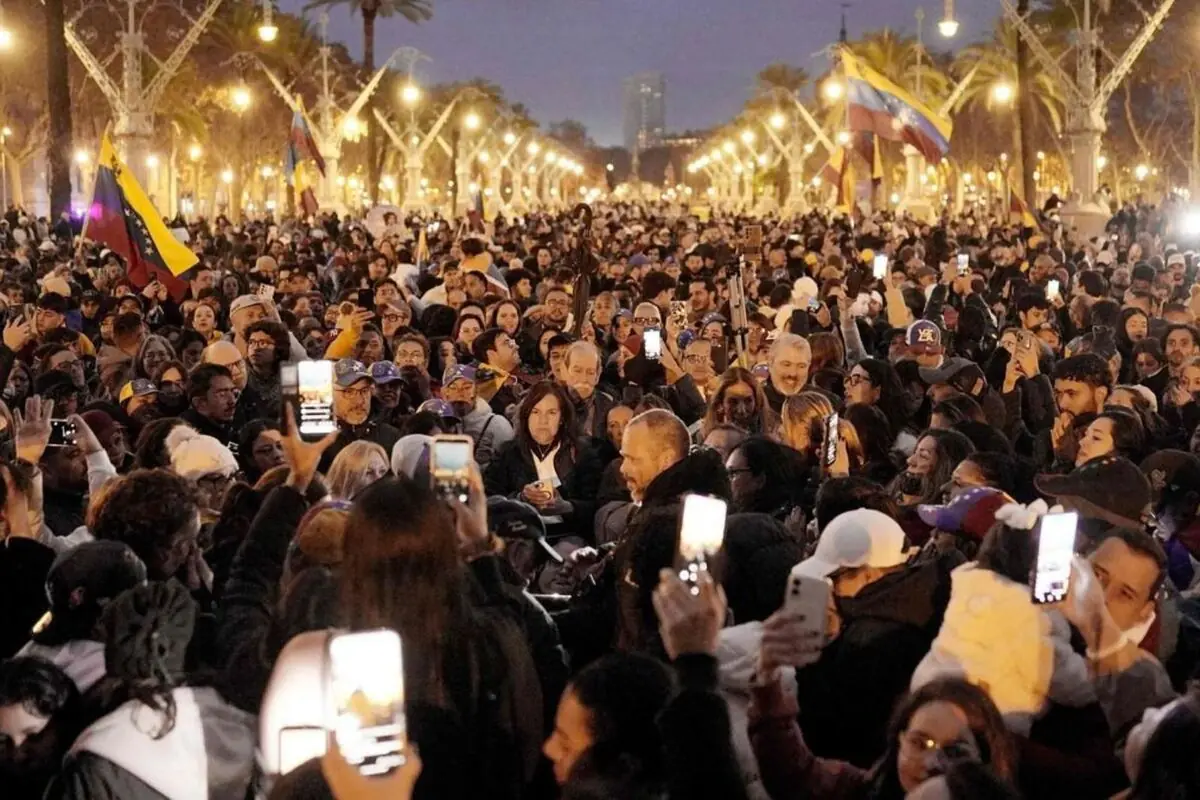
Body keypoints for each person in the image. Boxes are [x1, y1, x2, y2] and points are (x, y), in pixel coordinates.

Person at [484, 381, 602, 540]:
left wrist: (568, 507)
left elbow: (596, 507)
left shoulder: (582, 453)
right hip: (519, 535)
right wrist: (521, 499)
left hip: (567, 535)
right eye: (536, 412)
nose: (543, 421)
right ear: (526, 416)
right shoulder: (508, 452)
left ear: (562, 418)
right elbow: (489, 500)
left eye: (552, 413)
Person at [319, 358, 401, 472]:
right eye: (348, 392)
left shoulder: (392, 437)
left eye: (364, 391)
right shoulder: (315, 440)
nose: (359, 401)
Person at [441, 364, 514, 471]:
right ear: (444, 393)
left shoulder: (497, 424)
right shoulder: (438, 422)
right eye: (453, 387)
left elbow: (511, 466)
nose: (460, 392)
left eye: (467, 387)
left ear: (476, 390)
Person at [181, 363, 237, 446]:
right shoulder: (186, 438)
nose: (232, 401)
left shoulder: (235, 424)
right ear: (200, 403)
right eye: (221, 394)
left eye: (232, 391)